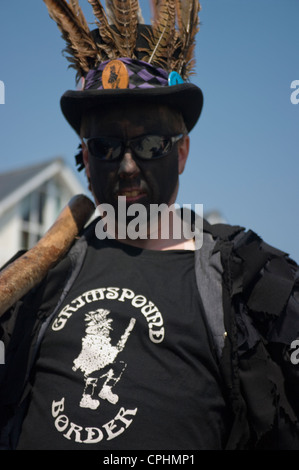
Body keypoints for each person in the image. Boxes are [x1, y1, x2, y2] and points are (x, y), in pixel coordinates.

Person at [0, 0, 299, 451]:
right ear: (83, 157)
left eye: (151, 144)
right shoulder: (36, 282)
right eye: (104, 146)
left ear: (181, 153)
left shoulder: (248, 282)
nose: (126, 166)